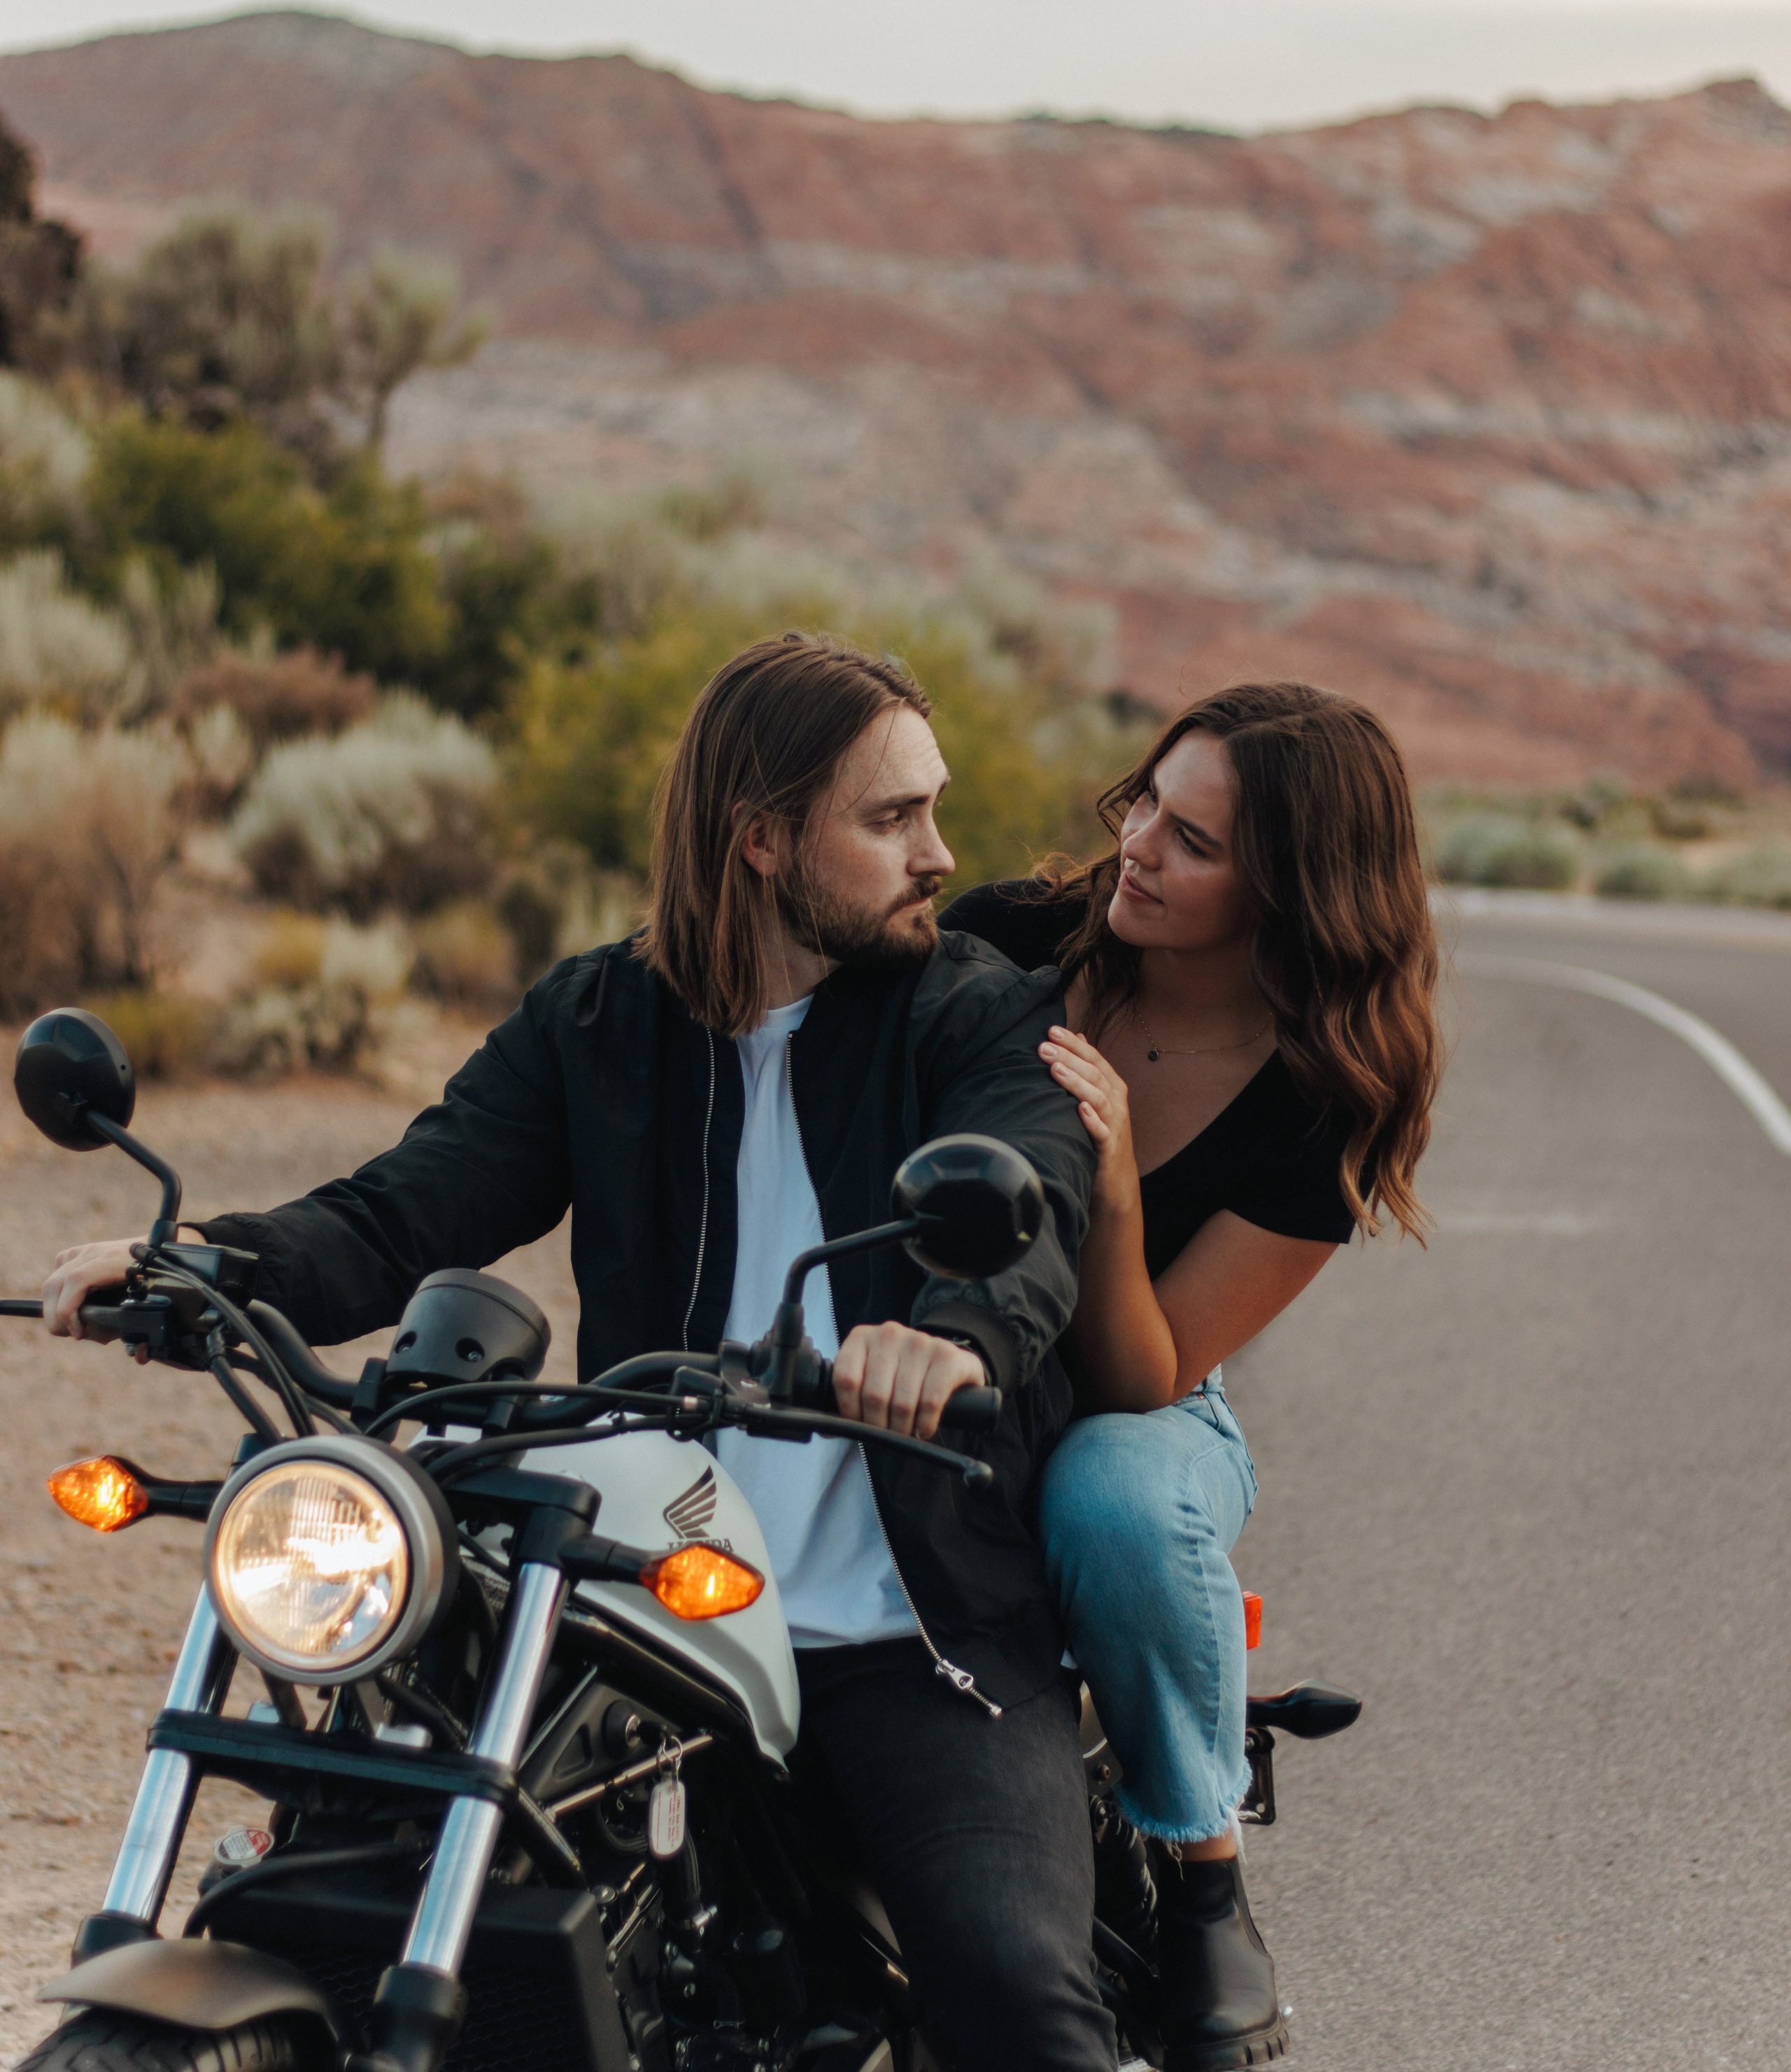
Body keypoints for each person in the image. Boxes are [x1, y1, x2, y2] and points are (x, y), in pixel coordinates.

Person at [43, 634, 1118, 2072]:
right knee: (352, 1852)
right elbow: (405, 1206)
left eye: (930, 809)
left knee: (1009, 1986)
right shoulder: (599, 1020)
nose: (937, 853)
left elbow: (1030, 1199)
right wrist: (202, 1266)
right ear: (759, 841)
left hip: (902, 1627)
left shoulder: (970, 1009)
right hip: (632, 1596)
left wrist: (950, 1338)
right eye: (890, 818)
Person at [940, 679, 1440, 2072]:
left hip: (1138, 1392)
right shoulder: (1013, 942)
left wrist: (1105, 1179)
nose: (1140, 845)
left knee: (1114, 1499)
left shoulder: (1320, 1096)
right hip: (934, 1349)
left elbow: (1145, 1369)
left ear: (1292, 890)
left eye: (1196, 840)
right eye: (1144, 800)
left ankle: (1201, 1875)